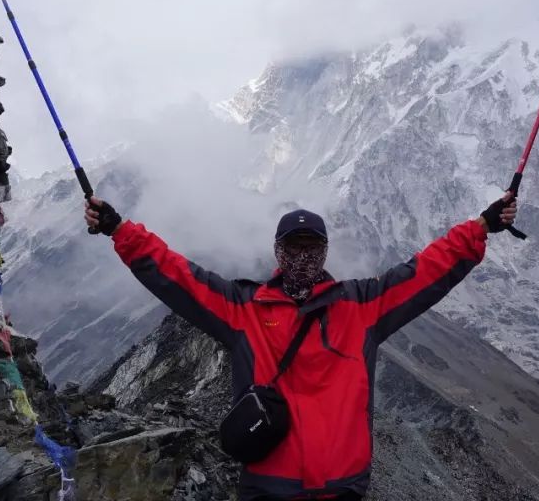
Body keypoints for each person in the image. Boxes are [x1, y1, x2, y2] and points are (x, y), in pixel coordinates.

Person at [84, 192, 517, 501]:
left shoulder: (362, 306)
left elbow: (425, 272)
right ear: (278, 251)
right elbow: (178, 276)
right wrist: (121, 230)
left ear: (326, 252)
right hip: (269, 487)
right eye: (295, 247)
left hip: (342, 488)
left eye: (312, 248)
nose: (303, 257)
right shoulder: (244, 309)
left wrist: (480, 227)